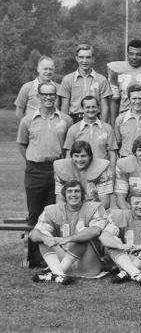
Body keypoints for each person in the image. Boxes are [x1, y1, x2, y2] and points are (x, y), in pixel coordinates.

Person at [17, 81, 72, 267]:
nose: (48, 98)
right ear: (39, 97)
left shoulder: (65, 119)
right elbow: (21, 144)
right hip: (34, 170)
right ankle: (33, 257)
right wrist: (32, 160)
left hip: (56, 169)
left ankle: (51, 256)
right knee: (35, 214)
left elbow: (68, 146)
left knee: (53, 214)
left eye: (52, 95)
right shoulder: (27, 120)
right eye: (45, 95)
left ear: (55, 96)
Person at [29, 180, 107, 283]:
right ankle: (59, 275)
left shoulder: (94, 207)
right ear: (64, 195)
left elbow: (95, 231)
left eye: (77, 191)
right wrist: (45, 238)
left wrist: (66, 239)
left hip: (87, 264)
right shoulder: (52, 210)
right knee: (43, 236)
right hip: (63, 258)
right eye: (69, 191)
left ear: (83, 194)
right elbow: (34, 233)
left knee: (84, 233)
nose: (73, 194)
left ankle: (55, 273)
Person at [99, 190, 141, 284]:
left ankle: (128, 272)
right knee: (113, 241)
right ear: (129, 205)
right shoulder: (120, 215)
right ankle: (136, 274)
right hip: (129, 258)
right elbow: (104, 237)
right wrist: (121, 246)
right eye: (136, 203)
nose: (140, 206)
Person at [59, 44, 112, 123]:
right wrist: (66, 125)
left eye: (88, 57)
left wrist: (103, 126)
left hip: (96, 119)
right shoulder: (67, 79)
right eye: (81, 57)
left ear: (93, 59)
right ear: (76, 58)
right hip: (74, 119)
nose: (84, 61)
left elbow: (104, 106)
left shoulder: (102, 80)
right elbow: (64, 106)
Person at [54, 141, 113, 209]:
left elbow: (105, 202)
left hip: (94, 209)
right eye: (76, 156)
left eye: (83, 156)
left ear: (90, 156)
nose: (80, 159)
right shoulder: (62, 167)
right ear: (71, 157)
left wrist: (87, 215)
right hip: (70, 209)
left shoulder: (101, 167)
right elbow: (60, 199)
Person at [63, 95, 118, 164]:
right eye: (88, 107)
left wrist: (112, 171)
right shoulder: (73, 129)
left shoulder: (107, 128)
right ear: (82, 109)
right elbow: (68, 155)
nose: (91, 110)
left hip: (102, 170)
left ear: (98, 108)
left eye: (93, 107)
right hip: (80, 170)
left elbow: (112, 154)